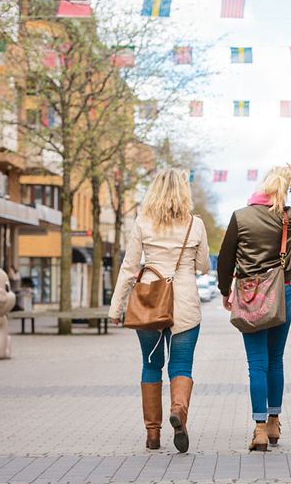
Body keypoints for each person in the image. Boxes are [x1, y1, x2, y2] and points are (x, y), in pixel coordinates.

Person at [108, 169, 210, 454]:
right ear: (183, 192)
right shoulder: (195, 225)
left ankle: (153, 435)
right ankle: (178, 410)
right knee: (181, 366)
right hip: (184, 304)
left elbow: (129, 268)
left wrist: (116, 309)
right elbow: (203, 267)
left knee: (151, 365)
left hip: (149, 304)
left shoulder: (143, 223)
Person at [217, 164, 291, 451]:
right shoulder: (287, 218)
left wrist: (225, 292)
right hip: (281, 294)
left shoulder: (240, 217)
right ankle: (274, 422)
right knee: (276, 360)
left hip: (249, 296)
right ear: (282, 192)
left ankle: (259, 429)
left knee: (256, 364)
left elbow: (225, 258)